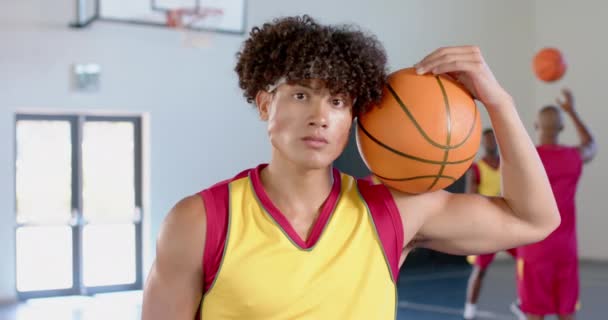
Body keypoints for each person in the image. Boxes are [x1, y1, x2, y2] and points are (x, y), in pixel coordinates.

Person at [141, 15, 560, 319]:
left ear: (353, 118)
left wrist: (499, 103)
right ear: (266, 104)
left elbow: (534, 219)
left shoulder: (393, 211)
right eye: (302, 95)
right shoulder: (200, 222)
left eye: (338, 101)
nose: (320, 115)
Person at [516, 89, 597, 320]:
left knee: (534, 314)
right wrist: (572, 111)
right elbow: (591, 145)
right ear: (561, 128)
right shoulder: (573, 156)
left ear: (536, 125)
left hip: (534, 249)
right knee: (567, 313)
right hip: (566, 250)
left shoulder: (527, 159)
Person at [462, 128, 518, 319]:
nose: (491, 143)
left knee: (526, 261)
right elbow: (470, 198)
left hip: (508, 226)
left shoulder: (507, 165)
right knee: (480, 270)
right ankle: (470, 310)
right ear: (483, 144)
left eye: (493, 140)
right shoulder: (477, 169)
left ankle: (524, 301)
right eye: (487, 140)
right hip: (488, 228)